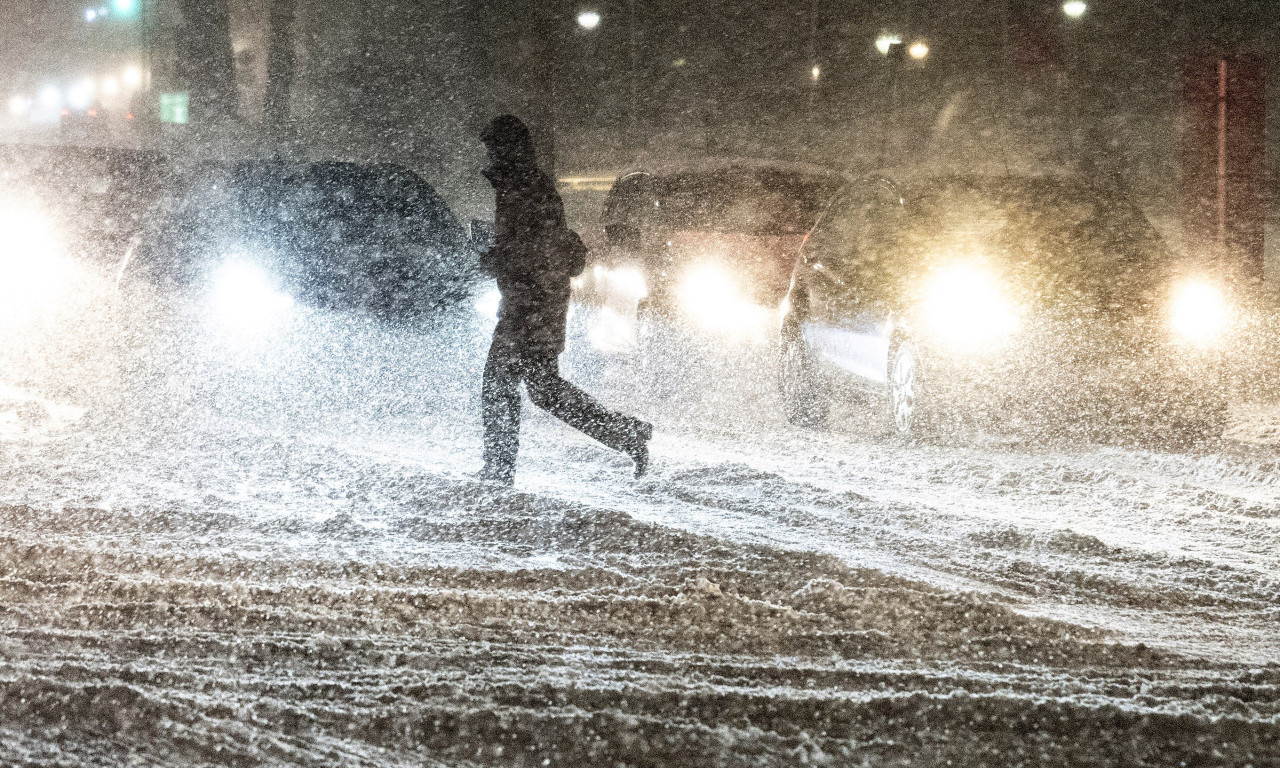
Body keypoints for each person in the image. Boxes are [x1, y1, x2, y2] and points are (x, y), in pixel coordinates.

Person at [477, 114, 652, 486]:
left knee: (502, 382)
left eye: (494, 148)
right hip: (537, 298)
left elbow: (536, 248)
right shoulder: (522, 185)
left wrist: (494, 259)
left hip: (532, 301)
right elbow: (545, 244)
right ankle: (625, 434)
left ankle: (499, 468)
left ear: (508, 150)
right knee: (541, 388)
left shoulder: (524, 187)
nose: (489, 156)